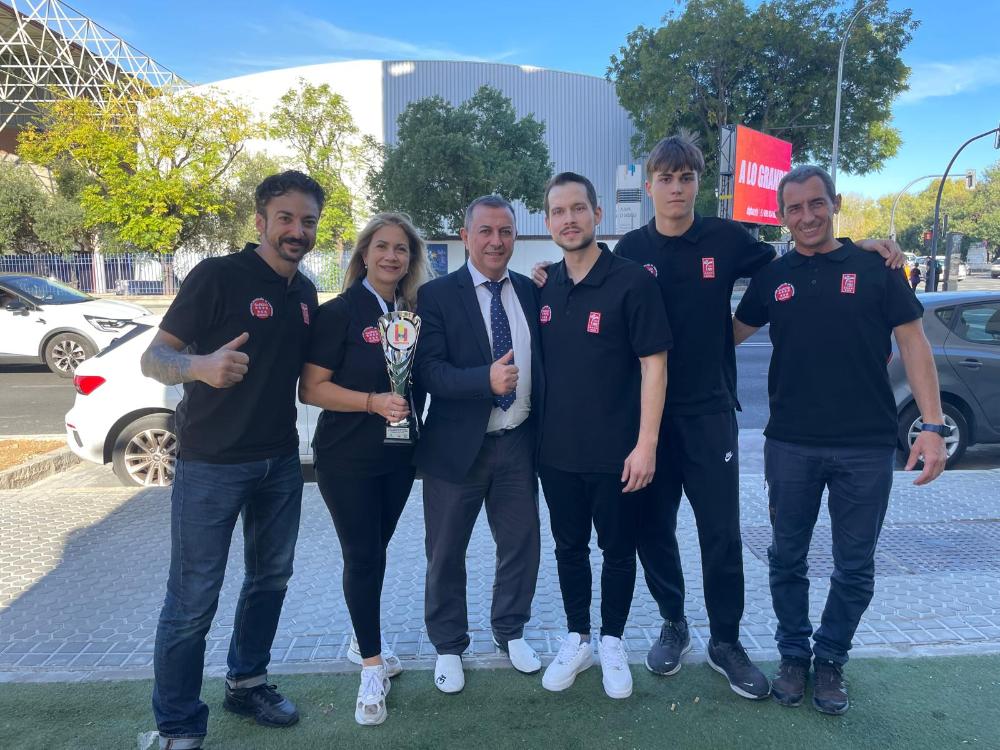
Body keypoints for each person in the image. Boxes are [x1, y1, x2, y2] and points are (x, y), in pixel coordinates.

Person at [531, 134, 904, 701]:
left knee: (720, 535)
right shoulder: (628, 250)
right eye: (665, 178)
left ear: (698, 183)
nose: (676, 189)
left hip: (709, 413)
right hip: (644, 421)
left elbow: (798, 257)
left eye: (686, 179)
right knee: (653, 531)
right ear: (649, 184)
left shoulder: (728, 240)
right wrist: (548, 278)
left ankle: (726, 640)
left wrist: (861, 246)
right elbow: (585, 284)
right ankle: (674, 623)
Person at [733, 165, 948, 715]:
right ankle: (793, 657)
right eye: (795, 208)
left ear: (835, 203)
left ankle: (830, 658)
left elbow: (915, 344)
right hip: (790, 446)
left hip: (866, 447)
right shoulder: (773, 277)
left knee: (854, 568)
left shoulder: (877, 269)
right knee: (786, 560)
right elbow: (722, 336)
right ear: (782, 216)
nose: (806, 216)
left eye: (816, 204)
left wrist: (931, 426)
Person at [141, 171, 324, 750]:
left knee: (270, 579)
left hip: (279, 464)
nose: (297, 230)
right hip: (211, 465)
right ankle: (177, 725)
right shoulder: (218, 276)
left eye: (308, 221)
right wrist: (198, 367)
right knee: (194, 597)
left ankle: (247, 682)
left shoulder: (306, 293)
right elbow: (155, 356)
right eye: (287, 218)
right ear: (261, 221)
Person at [535, 173, 669, 700]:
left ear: (597, 215)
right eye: (558, 211)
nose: (568, 219)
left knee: (617, 550)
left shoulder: (632, 282)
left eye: (577, 209)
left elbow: (654, 368)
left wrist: (646, 444)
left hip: (619, 454)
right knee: (569, 549)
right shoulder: (544, 286)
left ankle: (612, 640)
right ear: (548, 222)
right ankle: (578, 637)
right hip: (557, 454)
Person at [299, 212, 431, 726]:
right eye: (382, 246)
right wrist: (373, 401)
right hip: (346, 457)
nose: (392, 256)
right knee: (362, 555)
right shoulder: (341, 313)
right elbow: (311, 388)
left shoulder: (412, 314)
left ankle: (362, 636)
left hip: (398, 458)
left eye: (402, 249)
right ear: (364, 254)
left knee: (375, 551)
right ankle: (372, 668)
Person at [414, 195, 545, 693]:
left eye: (505, 232)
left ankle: (510, 630)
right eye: (486, 231)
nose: (496, 241)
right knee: (446, 551)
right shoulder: (437, 296)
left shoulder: (532, 293)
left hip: (518, 443)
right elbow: (429, 372)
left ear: (515, 237)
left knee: (521, 545)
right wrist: (483, 380)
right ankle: (449, 644)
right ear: (466, 236)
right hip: (457, 449)